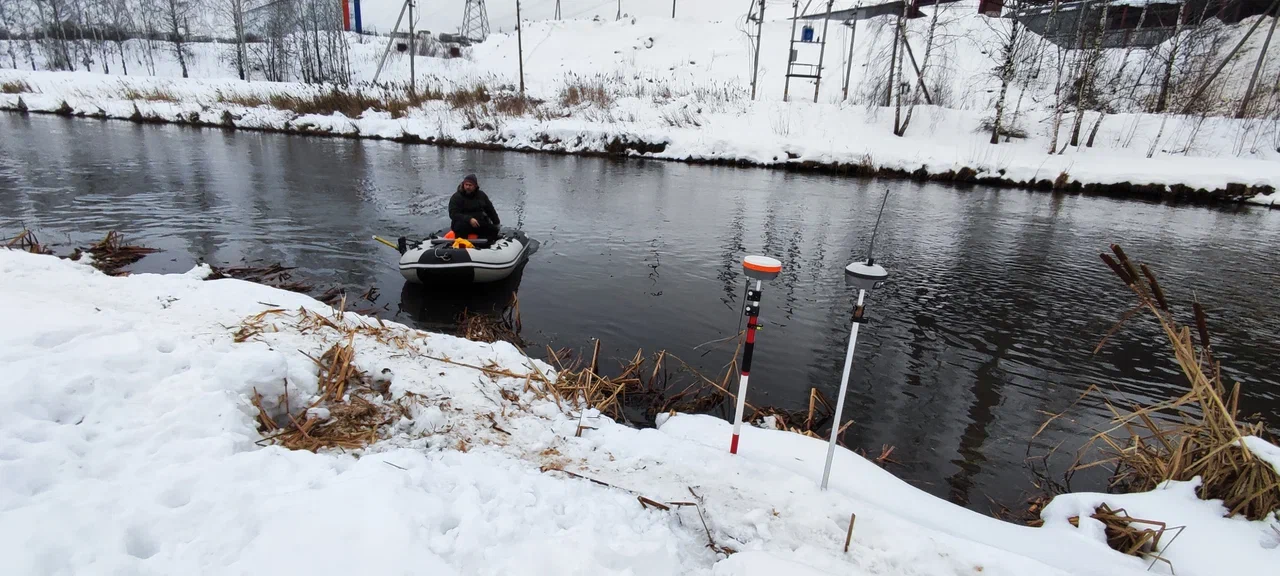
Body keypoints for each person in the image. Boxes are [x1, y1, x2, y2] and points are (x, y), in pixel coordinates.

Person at [448, 173, 501, 244]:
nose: (468, 187)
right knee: (461, 226)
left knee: (493, 230)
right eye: (466, 185)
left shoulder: (481, 195)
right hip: (462, 224)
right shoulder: (456, 197)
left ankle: (484, 245)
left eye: (470, 185)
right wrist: (469, 219)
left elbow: (490, 210)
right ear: (463, 184)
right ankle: (461, 246)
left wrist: (496, 223)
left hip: (477, 223)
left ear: (475, 186)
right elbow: (453, 214)